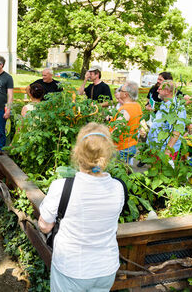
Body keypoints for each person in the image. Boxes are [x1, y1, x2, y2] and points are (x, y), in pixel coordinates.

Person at [38, 122, 125, 292]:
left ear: (77, 153)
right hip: (106, 268)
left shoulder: (62, 187)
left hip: (71, 268)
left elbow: (44, 225)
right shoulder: (118, 188)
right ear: (108, 155)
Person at [146, 80, 186, 159]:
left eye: (160, 89)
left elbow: (177, 131)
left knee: (162, 170)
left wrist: (168, 151)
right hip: (156, 148)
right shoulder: (164, 104)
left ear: (167, 91)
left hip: (164, 151)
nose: (157, 90)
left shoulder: (176, 108)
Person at [110, 81, 143, 164]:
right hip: (131, 145)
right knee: (126, 169)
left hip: (122, 147)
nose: (119, 91)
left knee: (117, 172)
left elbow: (118, 130)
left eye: (121, 90)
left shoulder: (125, 109)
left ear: (125, 94)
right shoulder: (137, 106)